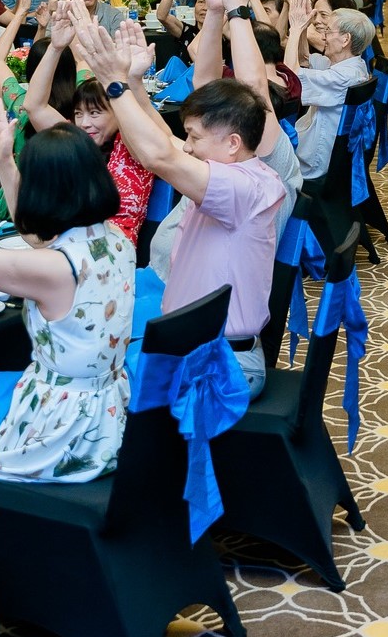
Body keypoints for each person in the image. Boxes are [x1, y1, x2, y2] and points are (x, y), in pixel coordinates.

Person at [73, 20, 284, 398]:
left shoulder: (243, 187)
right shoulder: (230, 170)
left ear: (233, 143)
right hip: (195, 347)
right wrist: (134, 83)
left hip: (222, 365)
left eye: (194, 137)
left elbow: (159, 156)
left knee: (88, 387)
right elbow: (165, 143)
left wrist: (114, 84)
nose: (186, 145)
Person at [0, 102, 133, 483]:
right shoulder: (115, 240)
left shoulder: (55, 269)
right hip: (107, 413)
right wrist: (3, 160)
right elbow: (36, 236)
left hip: (62, 428)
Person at [23, 1, 155, 242]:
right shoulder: (78, 142)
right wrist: (55, 47)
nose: (84, 123)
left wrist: (127, 80)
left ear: (117, 111)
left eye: (95, 113)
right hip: (67, 241)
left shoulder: (133, 147)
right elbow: (34, 106)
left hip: (112, 248)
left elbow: (139, 117)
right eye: (78, 114)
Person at [286, 0, 376, 181]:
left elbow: (291, 75)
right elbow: (303, 59)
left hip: (316, 162)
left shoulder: (343, 77)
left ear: (345, 39)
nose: (323, 36)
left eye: (328, 31)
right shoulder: (353, 65)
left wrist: (295, 28)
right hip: (322, 148)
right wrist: (303, 27)